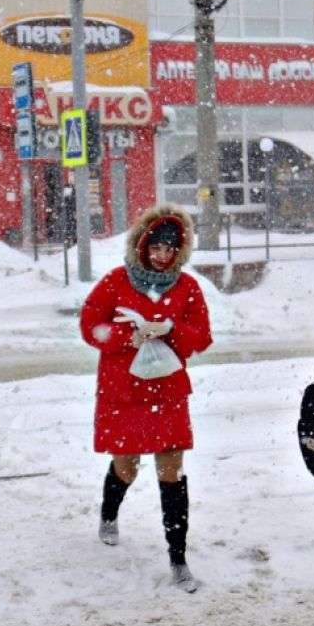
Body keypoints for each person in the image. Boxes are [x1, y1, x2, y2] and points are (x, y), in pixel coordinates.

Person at [79, 204, 213, 592]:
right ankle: (109, 514)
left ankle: (178, 559)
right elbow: (91, 327)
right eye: (155, 248)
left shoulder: (187, 287)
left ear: (180, 251)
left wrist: (171, 328)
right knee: (127, 468)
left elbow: (202, 337)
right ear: (142, 245)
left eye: (170, 250)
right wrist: (128, 337)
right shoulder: (115, 282)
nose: (162, 256)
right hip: (125, 392)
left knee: (172, 472)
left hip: (168, 392)